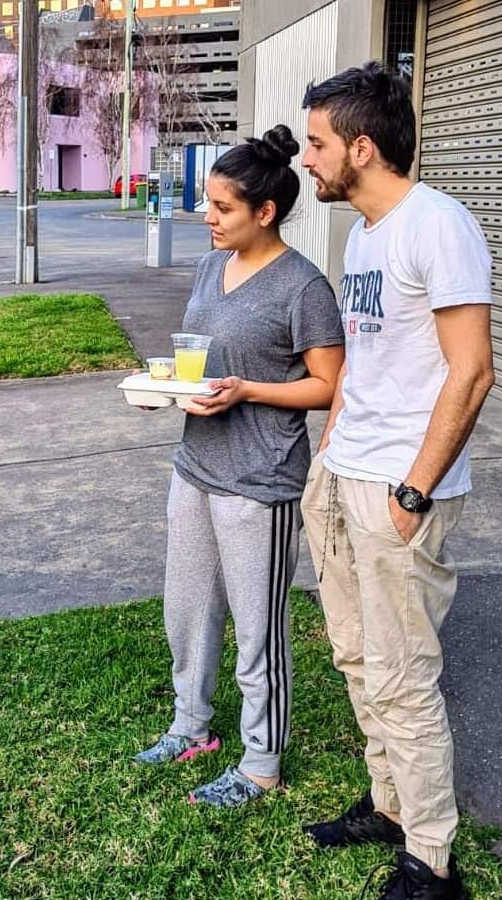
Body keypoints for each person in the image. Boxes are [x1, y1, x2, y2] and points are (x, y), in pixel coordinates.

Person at [298, 63, 495, 900]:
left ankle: (431, 864)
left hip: (397, 492)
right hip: (344, 475)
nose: (307, 160)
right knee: (354, 655)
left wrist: (415, 488)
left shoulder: (438, 225)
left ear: (361, 148)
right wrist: (331, 458)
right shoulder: (366, 236)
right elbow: (370, 367)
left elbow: (473, 369)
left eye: (317, 144)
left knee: (405, 679)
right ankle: (386, 804)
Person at [133, 126, 344, 808]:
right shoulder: (208, 267)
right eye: (207, 203)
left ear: (265, 212)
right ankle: (191, 726)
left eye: (222, 207)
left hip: (261, 479)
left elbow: (329, 386)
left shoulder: (303, 287)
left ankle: (261, 763)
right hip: (196, 465)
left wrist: (249, 390)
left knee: (259, 631)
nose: (208, 217)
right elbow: (207, 352)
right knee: (187, 610)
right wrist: (170, 388)